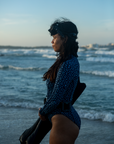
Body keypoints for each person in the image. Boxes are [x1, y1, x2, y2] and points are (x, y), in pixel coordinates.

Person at [38, 18, 81, 144]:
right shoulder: (66, 61)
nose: (52, 41)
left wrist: (43, 111)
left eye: (55, 37)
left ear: (65, 39)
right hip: (63, 118)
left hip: (64, 121)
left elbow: (56, 97)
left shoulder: (68, 64)